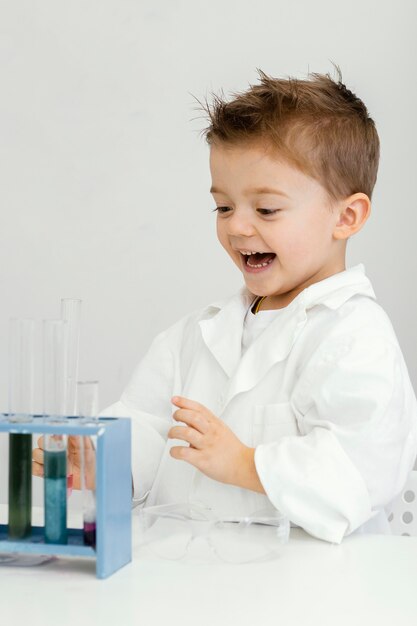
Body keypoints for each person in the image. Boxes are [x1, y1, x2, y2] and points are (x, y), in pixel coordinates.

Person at [33, 67, 417, 544]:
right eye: (224, 207)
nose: (237, 227)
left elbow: (360, 470)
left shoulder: (354, 336)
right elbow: (150, 428)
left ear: (347, 216)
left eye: (267, 209)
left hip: (313, 594)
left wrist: (245, 464)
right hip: (200, 581)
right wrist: (100, 460)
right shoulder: (196, 335)